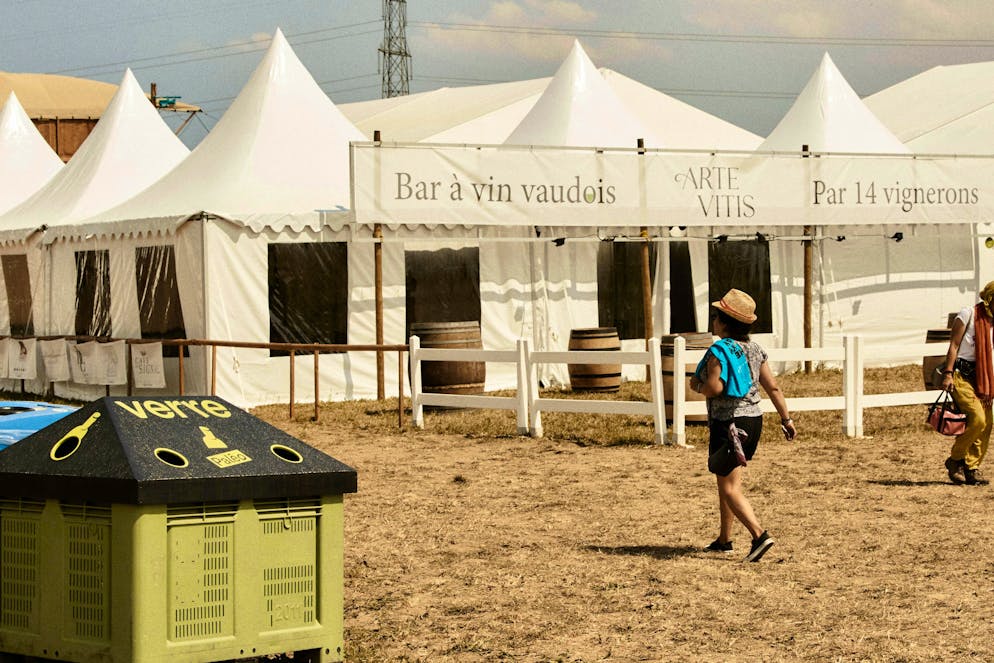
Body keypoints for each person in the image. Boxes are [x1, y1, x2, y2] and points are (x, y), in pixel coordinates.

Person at [689, 288, 797, 563]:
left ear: (724, 321)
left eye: (716, 316)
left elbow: (715, 386)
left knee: (728, 488)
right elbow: (772, 387)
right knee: (728, 480)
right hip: (753, 420)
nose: (713, 320)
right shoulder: (755, 349)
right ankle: (725, 539)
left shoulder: (719, 350)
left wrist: (698, 385)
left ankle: (759, 535)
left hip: (729, 423)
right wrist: (786, 419)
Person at [939, 281, 994, 486]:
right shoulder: (968, 314)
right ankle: (955, 459)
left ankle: (971, 468)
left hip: (984, 377)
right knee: (978, 419)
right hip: (962, 374)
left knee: (987, 424)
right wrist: (948, 373)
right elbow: (953, 345)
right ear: (990, 299)